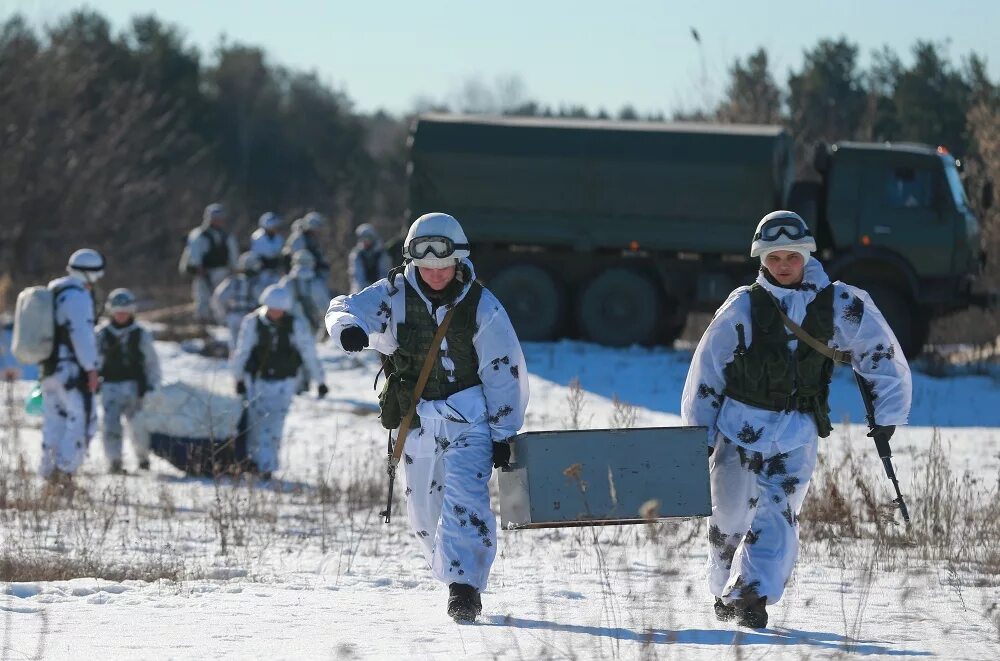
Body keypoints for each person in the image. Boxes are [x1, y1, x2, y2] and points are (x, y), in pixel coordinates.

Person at [680, 210, 912, 629]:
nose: (783, 266)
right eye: (774, 259)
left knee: (778, 514)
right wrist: (699, 433)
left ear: (806, 254)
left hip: (797, 433)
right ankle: (720, 580)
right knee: (730, 515)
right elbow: (708, 370)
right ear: (761, 260)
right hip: (740, 430)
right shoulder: (744, 305)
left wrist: (889, 410)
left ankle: (752, 594)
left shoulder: (838, 301)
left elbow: (879, 349)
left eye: (791, 256)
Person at [326, 212, 529, 622]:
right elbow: (344, 307)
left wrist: (504, 432)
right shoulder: (393, 293)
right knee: (423, 514)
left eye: (444, 265)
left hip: (470, 419)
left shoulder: (481, 305)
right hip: (416, 420)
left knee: (465, 499)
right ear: (413, 261)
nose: (436, 273)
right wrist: (349, 328)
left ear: (458, 261)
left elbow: (505, 369)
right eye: (427, 266)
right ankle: (449, 568)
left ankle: (464, 588)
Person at [230, 285, 328, 480]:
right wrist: (238, 377)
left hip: (284, 382)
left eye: (280, 310)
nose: (276, 313)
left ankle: (267, 467)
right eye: (273, 308)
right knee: (254, 424)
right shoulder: (252, 323)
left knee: (274, 426)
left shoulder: (295, 325)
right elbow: (242, 351)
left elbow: (309, 352)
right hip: (257, 381)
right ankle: (251, 463)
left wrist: (320, 380)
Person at [40, 249, 105, 484]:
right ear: (90, 274)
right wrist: (91, 368)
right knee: (83, 420)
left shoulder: (54, 290)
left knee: (55, 420)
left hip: (49, 369)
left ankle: (48, 474)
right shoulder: (77, 296)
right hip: (71, 371)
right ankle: (64, 473)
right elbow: (81, 335)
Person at [96, 288, 161, 474]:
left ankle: (143, 459)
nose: (121, 315)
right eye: (118, 312)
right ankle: (114, 461)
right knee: (110, 426)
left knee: (139, 426)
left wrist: (153, 385)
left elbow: (152, 362)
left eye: (125, 311)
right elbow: (95, 360)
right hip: (109, 386)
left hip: (135, 387)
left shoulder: (140, 334)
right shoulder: (101, 334)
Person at [181, 202, 239, 325]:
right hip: (206, 272)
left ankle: (220, 321)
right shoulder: (199, 235)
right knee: (203, 298)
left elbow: (233, 253)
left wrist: (233, 268)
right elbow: (194, 254)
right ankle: (203, 322)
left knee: (222, 298)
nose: (219, 221)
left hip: (223, 272)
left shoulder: (226, 235)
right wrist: (199, 268)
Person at [213, 251, 265, 352]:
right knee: (248, 347)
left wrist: (223, 316)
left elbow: (218, 298)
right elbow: (262, 301)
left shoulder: (232, 281)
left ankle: (235, 365)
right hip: (249, 317)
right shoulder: (257, 283)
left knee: (235, 347)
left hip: (233, 316)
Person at [278, 250, 331, 338]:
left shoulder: (286, 282)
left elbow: (278, 304)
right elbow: (326, 308)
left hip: (288, 328)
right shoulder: (316, 283)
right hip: (311, 327)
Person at [283, 211, 329, 280]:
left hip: (310, 272)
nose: (319, 230)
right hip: (298, 275)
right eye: (318, 226)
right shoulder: (299, 239)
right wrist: (317, 264)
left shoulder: (312, 239)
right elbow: (299, 258)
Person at [348, 223, 392, 293]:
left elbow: (385, 273)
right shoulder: (357, 254)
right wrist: (362, 291)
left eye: (368, 238)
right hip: (361, 290)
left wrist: (379, 290)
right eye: (363, 238)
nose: (365, 241)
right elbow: (357, 276)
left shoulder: (381, 253)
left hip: (380, 290)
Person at [250, 211, 285, 288]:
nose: (276, 227)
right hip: (262, 272)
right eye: (274, 225)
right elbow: (257, 256)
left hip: (275, 270)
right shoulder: (257, 237)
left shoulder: (279, 238)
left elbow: (279, 253)